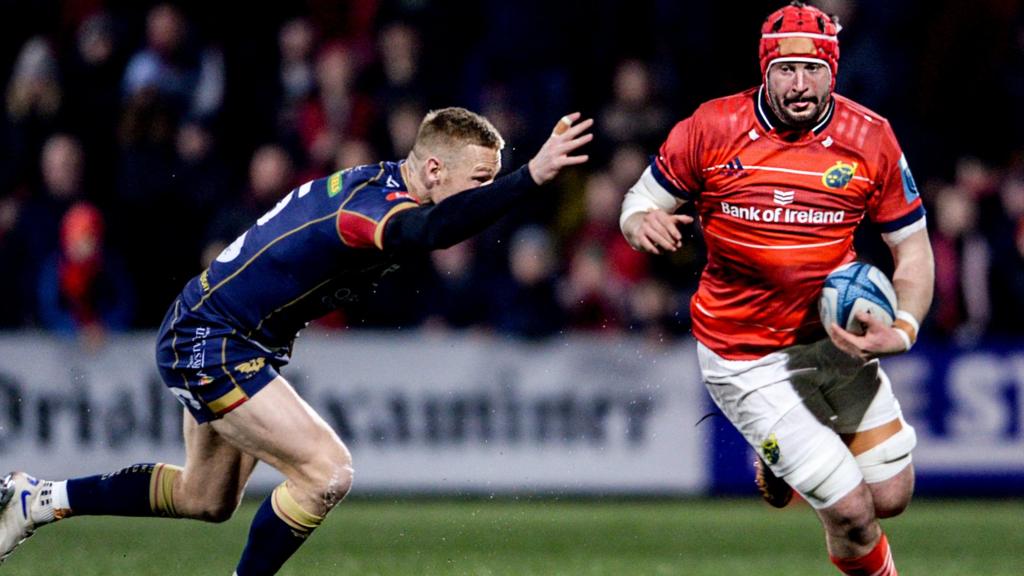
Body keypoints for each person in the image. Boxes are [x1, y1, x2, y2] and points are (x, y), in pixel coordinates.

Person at [0, 107, 593, 574]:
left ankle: (38, 499)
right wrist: (530, 177)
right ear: (434, 170)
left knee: (206, 499)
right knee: (327, 472)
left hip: (219, 330)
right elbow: (434, 230)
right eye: (480, 180)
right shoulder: (371, 209)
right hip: (213, 338)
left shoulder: (381, 187)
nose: (485, 192)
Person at [619, 3, 932, 575]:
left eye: (813, 69)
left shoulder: (871, 137)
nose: (800, 84)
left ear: (833, 70)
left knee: (891, 496)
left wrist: (904, 327)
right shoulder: (711, 128)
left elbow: (912, 249)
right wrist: (642, 222)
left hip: (832, 343)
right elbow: (638, 202)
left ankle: (783, 464)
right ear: (765, 70)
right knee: (854, 512)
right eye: (786, 69)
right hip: (743, 355)